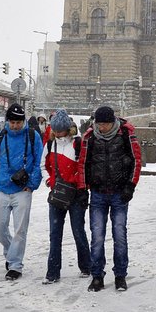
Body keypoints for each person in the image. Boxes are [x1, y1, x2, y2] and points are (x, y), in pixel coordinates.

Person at [80, 105, 142, 292]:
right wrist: (84, 189)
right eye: (99, 124)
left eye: (105, 124)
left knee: (119, 235)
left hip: (119, 193)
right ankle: (97, 275)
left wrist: (130, 186)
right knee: (97, 237)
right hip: (98, 193)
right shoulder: (90, 138)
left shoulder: (125, 135)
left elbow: (136, 161)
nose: (102, 128)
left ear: (112, 122)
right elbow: (83, 164)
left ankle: (120, 275)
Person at [0, 102, 43, 281]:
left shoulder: (33, 137)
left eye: (18, 122)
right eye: (12, 122)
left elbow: (39, 163)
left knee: (20, 230)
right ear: (7, 121)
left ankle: (15, 265)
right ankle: (11, 251)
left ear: (23, 121)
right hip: (2, 187)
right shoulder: (0, 137)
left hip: (22, 190)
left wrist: (32, 184)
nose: (15, 125)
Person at [42, 109, 91, 284]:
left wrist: (81, 185)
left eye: (59, 130)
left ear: (68, 129)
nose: (56, 133)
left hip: (76, 195)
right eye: (54, 130)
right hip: (57, 194)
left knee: (78, 231)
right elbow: (43, 165)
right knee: (55, 234)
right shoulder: (49, 145)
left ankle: (86, 266)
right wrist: (49, 181)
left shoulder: (78, 144)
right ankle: (52, 272)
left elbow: (85, 167)